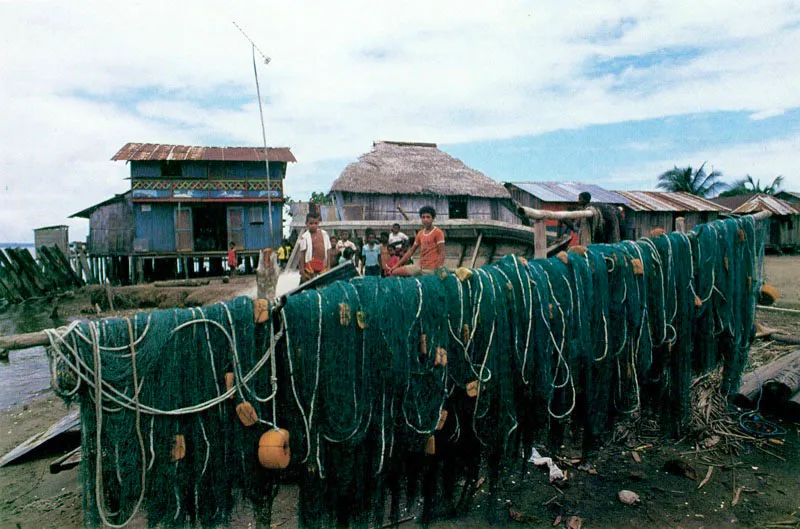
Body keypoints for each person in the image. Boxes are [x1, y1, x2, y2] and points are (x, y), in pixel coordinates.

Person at [389, 206, 445, 276]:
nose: (425, 219)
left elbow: (442, 253)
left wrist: (438, 269)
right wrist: (396, 265)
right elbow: (411, 251)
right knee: (394, 272)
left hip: (431, 269)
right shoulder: (420, 233)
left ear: (433, 218)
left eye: (428, 217)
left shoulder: (438, 232)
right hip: (420, 267)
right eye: (423, 217)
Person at [298, 212, 332, 283]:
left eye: (316, 223)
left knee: (323, 284)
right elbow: (302, 253)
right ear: (306, 223)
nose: (313, 225)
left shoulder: (324, 234)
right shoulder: (304, 237)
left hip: (322, 265)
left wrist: (328, 266)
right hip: (309, 265)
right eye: (311, 223)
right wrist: (302, 270)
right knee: (306, 284)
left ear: (318, 223)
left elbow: (328, 249)